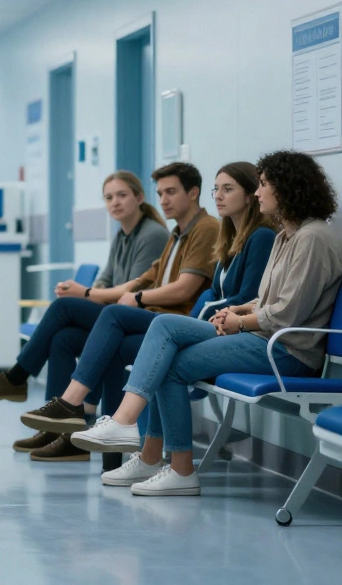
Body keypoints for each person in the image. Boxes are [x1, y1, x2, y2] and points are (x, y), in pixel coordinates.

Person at [72, 150, 342, 497]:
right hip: (262, 336)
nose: (258, 193)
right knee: (167, 330)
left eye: (263, 185)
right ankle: (146, 442)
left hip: (287, 350)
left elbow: (288, 313)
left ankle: (164, 456)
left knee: (169, 355)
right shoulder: (285, 236)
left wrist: (241, 322)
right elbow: (269, 298)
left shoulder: (313, 238)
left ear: (287, 188)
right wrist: (240, 311)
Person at [19, 163, 275, 463]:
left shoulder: (252, 236)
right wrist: (111, 294)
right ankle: (109, 451)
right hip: (204, 323)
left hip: (221, 328)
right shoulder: (225, 236)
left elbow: (238, 297)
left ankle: (63, 400)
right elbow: (210, 292)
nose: (218, 196)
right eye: (216, 189)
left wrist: (125, 298)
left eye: (228, 189)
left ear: (250, 195)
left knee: (106, 315)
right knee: (81, 339)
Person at [0, 171, 169, 459]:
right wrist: (92, 291)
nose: (115, 203)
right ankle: (63, 434)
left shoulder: (152, 234)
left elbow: (130, 292)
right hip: (116, 315)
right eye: (109, 197)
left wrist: (86, 294)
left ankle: (17, 376)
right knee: (63, 338)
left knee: (63, 308)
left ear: (139, 198)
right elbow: (105, 280)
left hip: (133, 319)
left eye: (122, 195)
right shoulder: (122, 236)